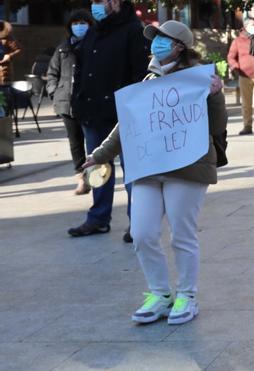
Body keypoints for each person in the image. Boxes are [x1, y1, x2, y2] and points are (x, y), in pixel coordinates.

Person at [81, 20, 226, 326]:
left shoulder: (200, 79)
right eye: (154, 38)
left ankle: (187, 295)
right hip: (148, 166)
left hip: (187, 167)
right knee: (142, 232)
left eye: (162, 39)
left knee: (182, 233)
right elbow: (127, 125)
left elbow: (215, 128)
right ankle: (159, 294)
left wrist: (214, 97)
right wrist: (100, 155)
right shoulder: (148, 81)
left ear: (179, 47)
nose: (154, 43)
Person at [69, 0, 150, 238]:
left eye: (97, 1)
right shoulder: (93, 32)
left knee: (132, 170)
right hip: (92, 113)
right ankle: (98, 218)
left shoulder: (133, 31)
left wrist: (134, 106)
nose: (93, 6)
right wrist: (77, 101)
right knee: (96, 167)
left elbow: (139, 73)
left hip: (122, 114)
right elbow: (81, 70)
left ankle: (136, 222)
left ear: (114, 2)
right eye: (91, 1)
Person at [46, 9, 92, 195]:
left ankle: (96, 176)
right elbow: (52, 73)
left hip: (90, 102)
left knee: (94, 141)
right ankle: (81, 178)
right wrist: (54, 93)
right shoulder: (62, 48)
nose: (79, 26)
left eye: (83, 23)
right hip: (67, 102)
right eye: (75, 23)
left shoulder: (96, 46)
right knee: (75, 143)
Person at [0, 19, 20, 85]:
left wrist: (9, 55)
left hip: (4, 70)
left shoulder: (7, 37)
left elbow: (18, 49)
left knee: (5, 92)